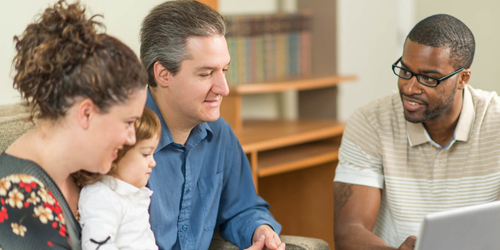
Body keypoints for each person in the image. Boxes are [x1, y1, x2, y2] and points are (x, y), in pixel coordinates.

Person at [333, 14, 500, 250]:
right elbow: (348, 232)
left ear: (463, 78)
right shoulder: (370, 122)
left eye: (428, 78)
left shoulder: (496, 123)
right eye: (405, 71)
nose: (410, 88)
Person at [0, 0, 148, 249]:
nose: (132, 138)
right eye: (128, 122)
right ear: (86, 113)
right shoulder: (16, 195)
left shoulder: (82, 175)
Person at [139, 1, 285, 249]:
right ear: (163, 74)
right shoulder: (124, 138)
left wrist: (260, 231)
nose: (223, 89)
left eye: (224, 70)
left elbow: (242, 207)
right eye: (206, 74)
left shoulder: (220, 134)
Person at [78, 107, 160, 250]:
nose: (153, 162)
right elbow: (98, 245)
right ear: (115, 154)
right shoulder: (102, 196)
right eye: (146, 154)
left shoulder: (131, 194)